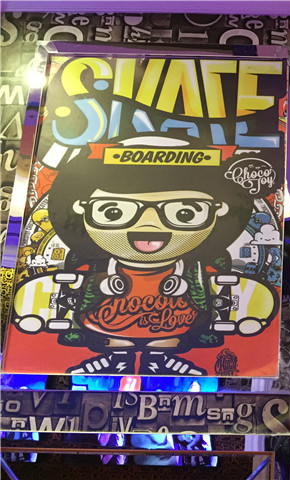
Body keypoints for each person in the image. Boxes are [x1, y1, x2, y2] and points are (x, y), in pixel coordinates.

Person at [44, 137, 254, 375]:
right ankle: (115, 361)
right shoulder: (97, 263)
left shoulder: (192, 268)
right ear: (81, 209)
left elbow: (207, 293)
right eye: (114, 212)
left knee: (166, 342)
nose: (149, 225)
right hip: (106, 322)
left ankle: (160, 360)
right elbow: (82, 288)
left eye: (184, 213)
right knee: (114, 341)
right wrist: (101, 284)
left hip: (176, 324)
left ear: (219, 212)